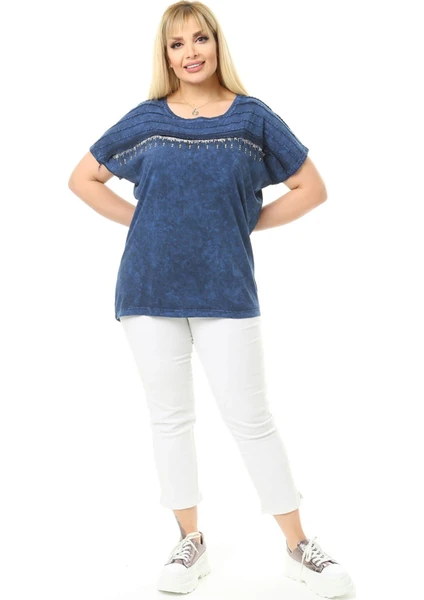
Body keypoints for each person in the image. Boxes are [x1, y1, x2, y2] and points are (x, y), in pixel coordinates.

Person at [68, 1, 355, 597]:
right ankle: (189, 541)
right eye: (177, 44)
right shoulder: (147, 119)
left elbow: (311, 187)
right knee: (170, 419)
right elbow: (83, 178)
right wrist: (146, 223)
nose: (190, 52)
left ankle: (298, 546)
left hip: (225, 289)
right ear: (166, 55)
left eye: (200, 38)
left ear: (217, 43)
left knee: (252, 420)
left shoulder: (252, 118)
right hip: (147, 288)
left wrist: (238, 225)